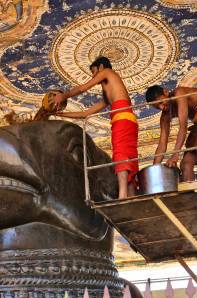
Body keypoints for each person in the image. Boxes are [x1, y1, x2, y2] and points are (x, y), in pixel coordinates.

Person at [53, 56, 139, 200]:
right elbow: (85, 114)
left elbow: (82, 88)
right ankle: (131, 196)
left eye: (94, 72)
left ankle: (123, 196)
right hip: (126, 120)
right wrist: (62, 114)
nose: (94, 76)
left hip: (123, 118)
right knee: (127, 155)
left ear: (100, 67)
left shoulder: (107, 72)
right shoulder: (109, 94)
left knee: (121, 154)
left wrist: (64, 96)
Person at [145, 84, 197, 181]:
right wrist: (155, 170)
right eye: (157, 107)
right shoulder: (165, 116)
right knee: (186, 163)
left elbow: (183, 127)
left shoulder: (179, 93)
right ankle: (190, 195)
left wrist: (175, 155)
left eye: (161, 102)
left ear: (166, 92)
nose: (162, 107)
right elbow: (162, 144)